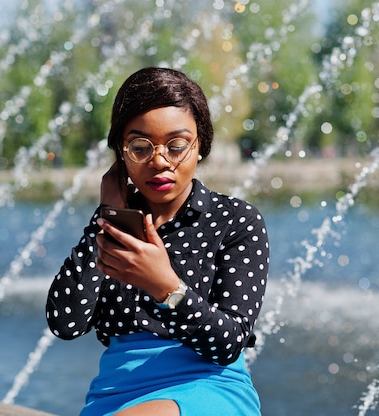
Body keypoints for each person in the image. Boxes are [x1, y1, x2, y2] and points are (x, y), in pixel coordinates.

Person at [46, 67, 270, 416]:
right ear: (121, 153)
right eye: (140, 147)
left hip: (206, 387)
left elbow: (229, 343)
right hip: (115, 394)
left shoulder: (234, 221)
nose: (160, 160)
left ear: (201, 146)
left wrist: (166, 287)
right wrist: (105, 216)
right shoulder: (115, 223)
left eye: (177, 145)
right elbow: (65, 321)